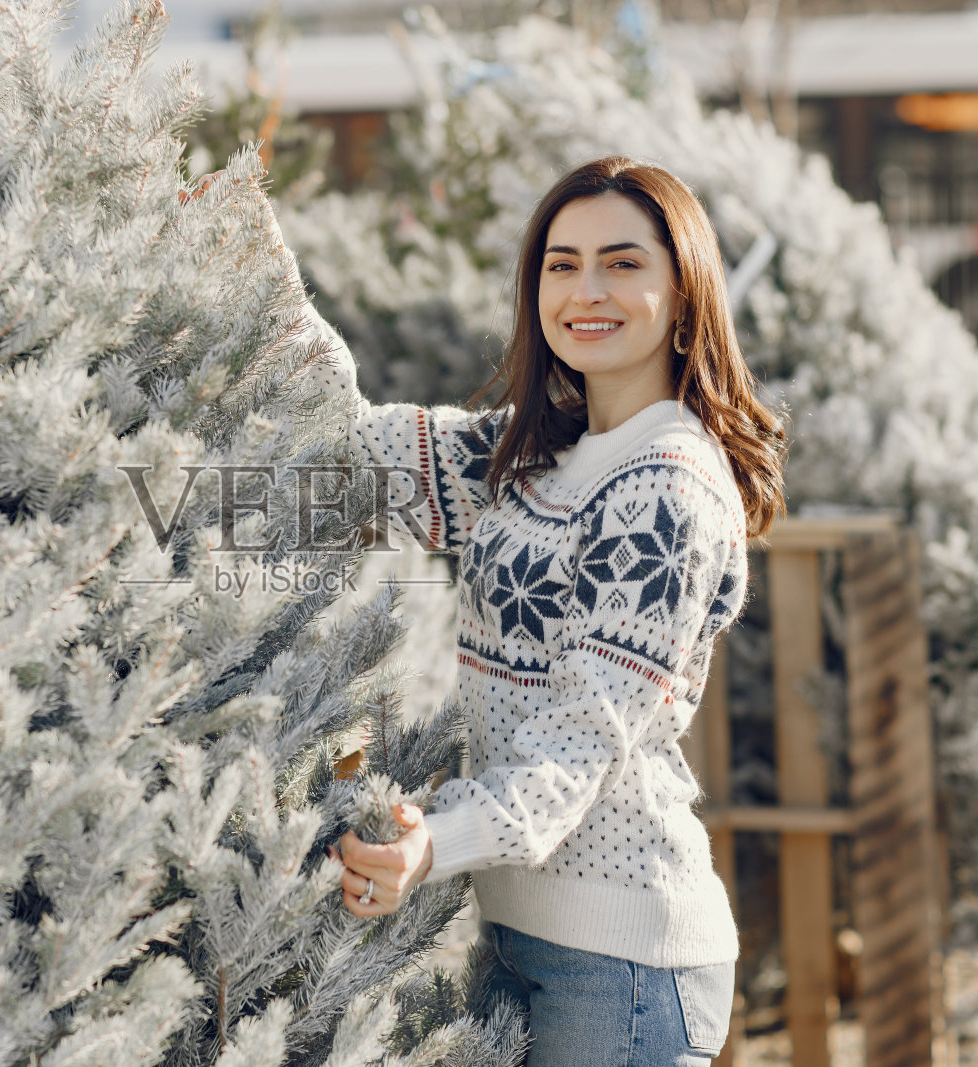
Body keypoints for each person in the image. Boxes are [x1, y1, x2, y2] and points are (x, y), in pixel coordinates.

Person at [189, 156, 784, 1065]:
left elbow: (582, 735)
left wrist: (437, 841)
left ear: (685, 290)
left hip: (623, 957)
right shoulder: (539, 454)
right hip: (521, 926)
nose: (587, 288)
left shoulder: (666, 483)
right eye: (561, 262)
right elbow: (355, 437)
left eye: (624, 263)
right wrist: (241, 242)